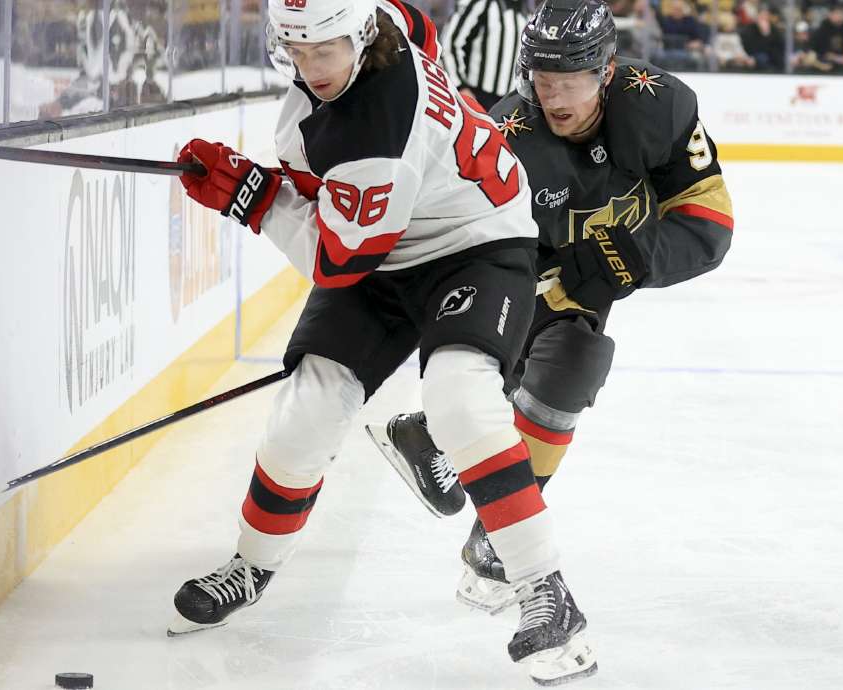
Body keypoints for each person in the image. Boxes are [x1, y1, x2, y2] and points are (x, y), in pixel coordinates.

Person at [166, 0, 597, 684]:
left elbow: (337, 261)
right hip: (389, 239)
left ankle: (548, 590)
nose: (312, 68)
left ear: (362, 35)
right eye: (297, 51)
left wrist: (254, 198)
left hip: (474, 243)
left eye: (325, 49)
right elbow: (418, 29)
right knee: (305, 413)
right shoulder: (384, 19)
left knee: (460, 398)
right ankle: (252, 562)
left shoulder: (375, 126)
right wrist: (264, 187)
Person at [370, 0, 733, 614]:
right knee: (566, 358)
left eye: (570, 81)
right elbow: (461, 239)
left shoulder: (662, 105)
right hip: (517, 261)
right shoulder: (507, 139)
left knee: (573, 359)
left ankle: (452, 468)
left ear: (608, 72)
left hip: (598, 268)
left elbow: (709, 220)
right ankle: (479, 501)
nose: (555, 97)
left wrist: (642, 259)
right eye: (542, 81)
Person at [442, 0, 528, 110]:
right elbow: (449, 45)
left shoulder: (526, 8)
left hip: (508, 101)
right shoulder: (480, 3)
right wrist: (460, 87)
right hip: (476, 96)